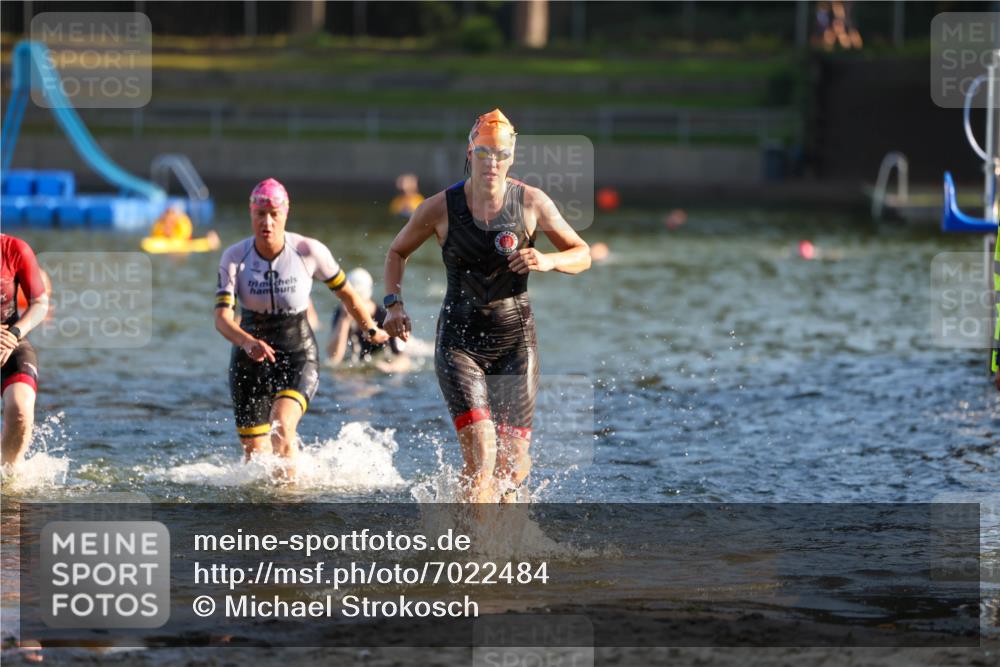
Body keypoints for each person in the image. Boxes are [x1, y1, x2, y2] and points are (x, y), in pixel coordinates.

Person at [383, 109, 591, 503]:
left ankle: (502, 543)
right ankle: (471, 549)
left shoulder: (531, 202)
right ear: (470, 152)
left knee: (512, 464)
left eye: (500, 154)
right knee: (481, 453)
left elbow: (582, 254)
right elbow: (396, 251)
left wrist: (547, 260)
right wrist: (394, 303)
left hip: (516, 344)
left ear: (512, 155)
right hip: (460, 343)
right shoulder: (439, 208)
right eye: (483, 153)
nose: (491, 163)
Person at [215, 178, 388, 477]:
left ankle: (291, 508)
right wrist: (246, 342)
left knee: (282, 426)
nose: (266, 222)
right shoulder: (234, 257)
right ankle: (263, 516)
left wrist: (372, 330)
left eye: (274, 215)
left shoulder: (308, 250)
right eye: (260, 214)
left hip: (297, 352)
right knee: (255, 458)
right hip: (250, 356)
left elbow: (348, 294)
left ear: (286, 213)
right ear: (250, 213)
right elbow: (222, 319)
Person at [1, 234, 49, 469]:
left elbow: (40, 303)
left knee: (20, 409)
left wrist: (14, 334)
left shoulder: (14, 249)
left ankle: (8, 477)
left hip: (9, 342)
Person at [327, 268, 409, 373]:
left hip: (379, 360)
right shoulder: (342, 313)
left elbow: (404, 359)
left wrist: (389, 368)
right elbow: (333, 358)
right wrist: (344, 320)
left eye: (354, 300)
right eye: (348, 300)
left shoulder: (383, 317)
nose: (352, 306)